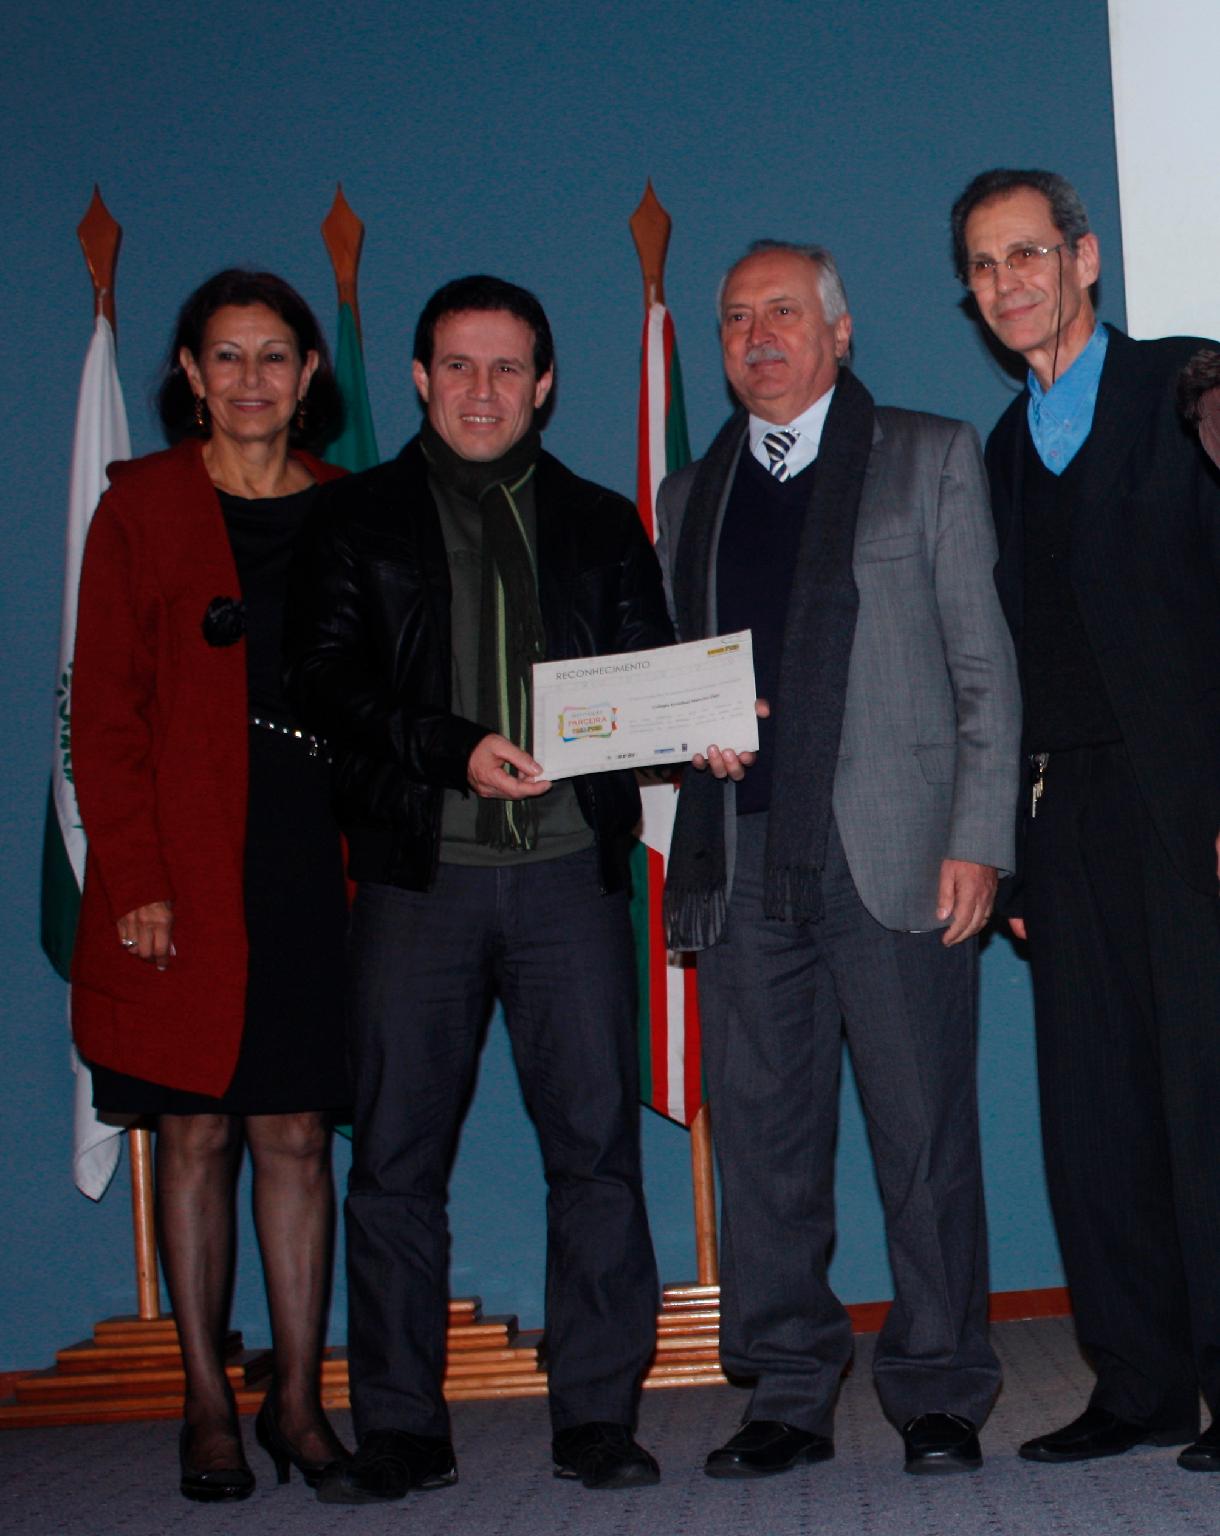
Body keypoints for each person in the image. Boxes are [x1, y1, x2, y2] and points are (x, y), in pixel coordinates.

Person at [286, 274, 670, 1501]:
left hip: (567, 882)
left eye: (507, 367)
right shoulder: (351, 519)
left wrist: (698, 723)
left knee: (596, 1159)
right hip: (418, 881)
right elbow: (323, 683)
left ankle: (597, 1418)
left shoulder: (602, 523)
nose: (482, 390)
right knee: (393, 1165)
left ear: (543, 385)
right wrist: (448, 750)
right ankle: (401, 1429)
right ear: (417, 378)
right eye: (457, 365)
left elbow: (649, 681)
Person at [656, 240, 1020, 1477]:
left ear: (838, 330)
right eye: (733, 318)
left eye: (781, 312)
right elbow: (680, 678)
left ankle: (939, 1389)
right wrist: (687, 730)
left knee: (921, 1136)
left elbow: (982, 667)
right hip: (741, 854)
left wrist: (979, 838)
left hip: (898, 852)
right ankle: (785, 1391)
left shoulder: (926, 454)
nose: (756, 336)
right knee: (762, 1143)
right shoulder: (686, 496)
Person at [950, 167, 1220, 1473]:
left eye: (1026, 252)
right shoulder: (999, 452)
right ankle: (1141, 1386)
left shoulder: (1186, 387)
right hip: (1063, 820)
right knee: (1097, 1115)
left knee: (1207, 1097)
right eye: (982, 265)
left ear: (1085, 256)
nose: (1007, 282)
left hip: (1191, 802)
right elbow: (999, 664)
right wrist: (1005, 850)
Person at [71, 269, 351, 1502]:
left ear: (307, 374)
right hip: (178, 864)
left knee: (296, 1132)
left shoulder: (345, 507)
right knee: (193, 1131)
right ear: (189, 373)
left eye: (272, 355)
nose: (250, 379)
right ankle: (203, 1402)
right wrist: (133, 873)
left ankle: (297, 1402)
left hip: (308, 857)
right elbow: (102, 711)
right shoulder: (138, 507)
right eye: (225, 356)